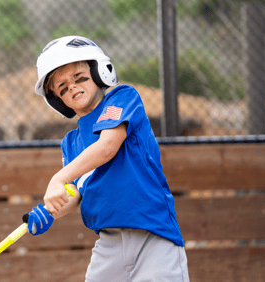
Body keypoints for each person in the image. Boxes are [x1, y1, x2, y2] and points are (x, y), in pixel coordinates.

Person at [26, 35, 190, 282]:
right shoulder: (71, 142)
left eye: (79, 77)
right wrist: (53, 210)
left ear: (100, 72)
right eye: (62, 88)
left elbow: (107, 146)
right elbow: (76, 191)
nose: (72, 87)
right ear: (58, 101)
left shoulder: (122, 98)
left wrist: (58, 178)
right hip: (108, 245)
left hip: (153, 236)